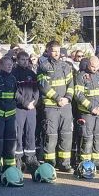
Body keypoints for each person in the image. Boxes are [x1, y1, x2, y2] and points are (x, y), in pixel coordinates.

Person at [38, 41, 75, 172]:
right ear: (48, 51)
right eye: (54, 51)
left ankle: (64, 164)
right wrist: (57, 98)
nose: (56, 53)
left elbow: (71, 84)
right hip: (51, 107)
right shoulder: (43, 66)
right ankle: (50, 164)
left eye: (58, 51)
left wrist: (67, 98)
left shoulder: (66, 66)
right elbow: (43, 86)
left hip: (65, 106)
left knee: (66, 135)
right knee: (51, 136)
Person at [73, 56, 99, 168]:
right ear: (88, 65)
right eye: (92, 66)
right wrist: (91, 108)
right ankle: (85, 163)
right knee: (87, 138)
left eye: (96, 66)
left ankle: (97, 162)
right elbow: (78, 95)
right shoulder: (81, 76)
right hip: (87, 113)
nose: (94, 68)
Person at [13, 51, 39, 172]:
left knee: (30, 132)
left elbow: (36, 90)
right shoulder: (14, 74)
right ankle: (18, 158)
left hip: (31, 108)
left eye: (26, 59)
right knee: (18, 133)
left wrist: (33, 102)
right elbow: (15, 93)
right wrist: (25, 103)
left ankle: (30, 158)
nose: (25, 61)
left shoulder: (32, 73)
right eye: (22, 59)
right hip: (19, 108)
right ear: (17, 60)